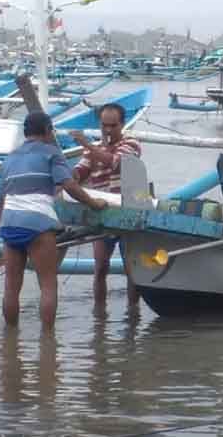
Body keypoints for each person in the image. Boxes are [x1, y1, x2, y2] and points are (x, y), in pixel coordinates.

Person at [0, 112, 107, 330]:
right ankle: (48, 341)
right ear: (48, 131)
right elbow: (69, 185)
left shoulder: (9, 159)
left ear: (26, 133)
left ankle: (10, 341)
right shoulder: (52, 153)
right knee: (48, 285)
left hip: (10, 225)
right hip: (38, 225)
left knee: (11, 288)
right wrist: (93, 203)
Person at [70, 103, 143, 309]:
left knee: (132, 270)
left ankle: (133, 313)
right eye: (104, 125)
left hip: (128, 213)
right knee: (100, 267)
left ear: (122, 124)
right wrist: (67, 175)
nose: (108, 130)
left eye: (113, 125)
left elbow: (117, 162)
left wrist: (88, 146)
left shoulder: (132, 143)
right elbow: (79, 172)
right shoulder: (92, 149)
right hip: (102, 213)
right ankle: (99, 318)